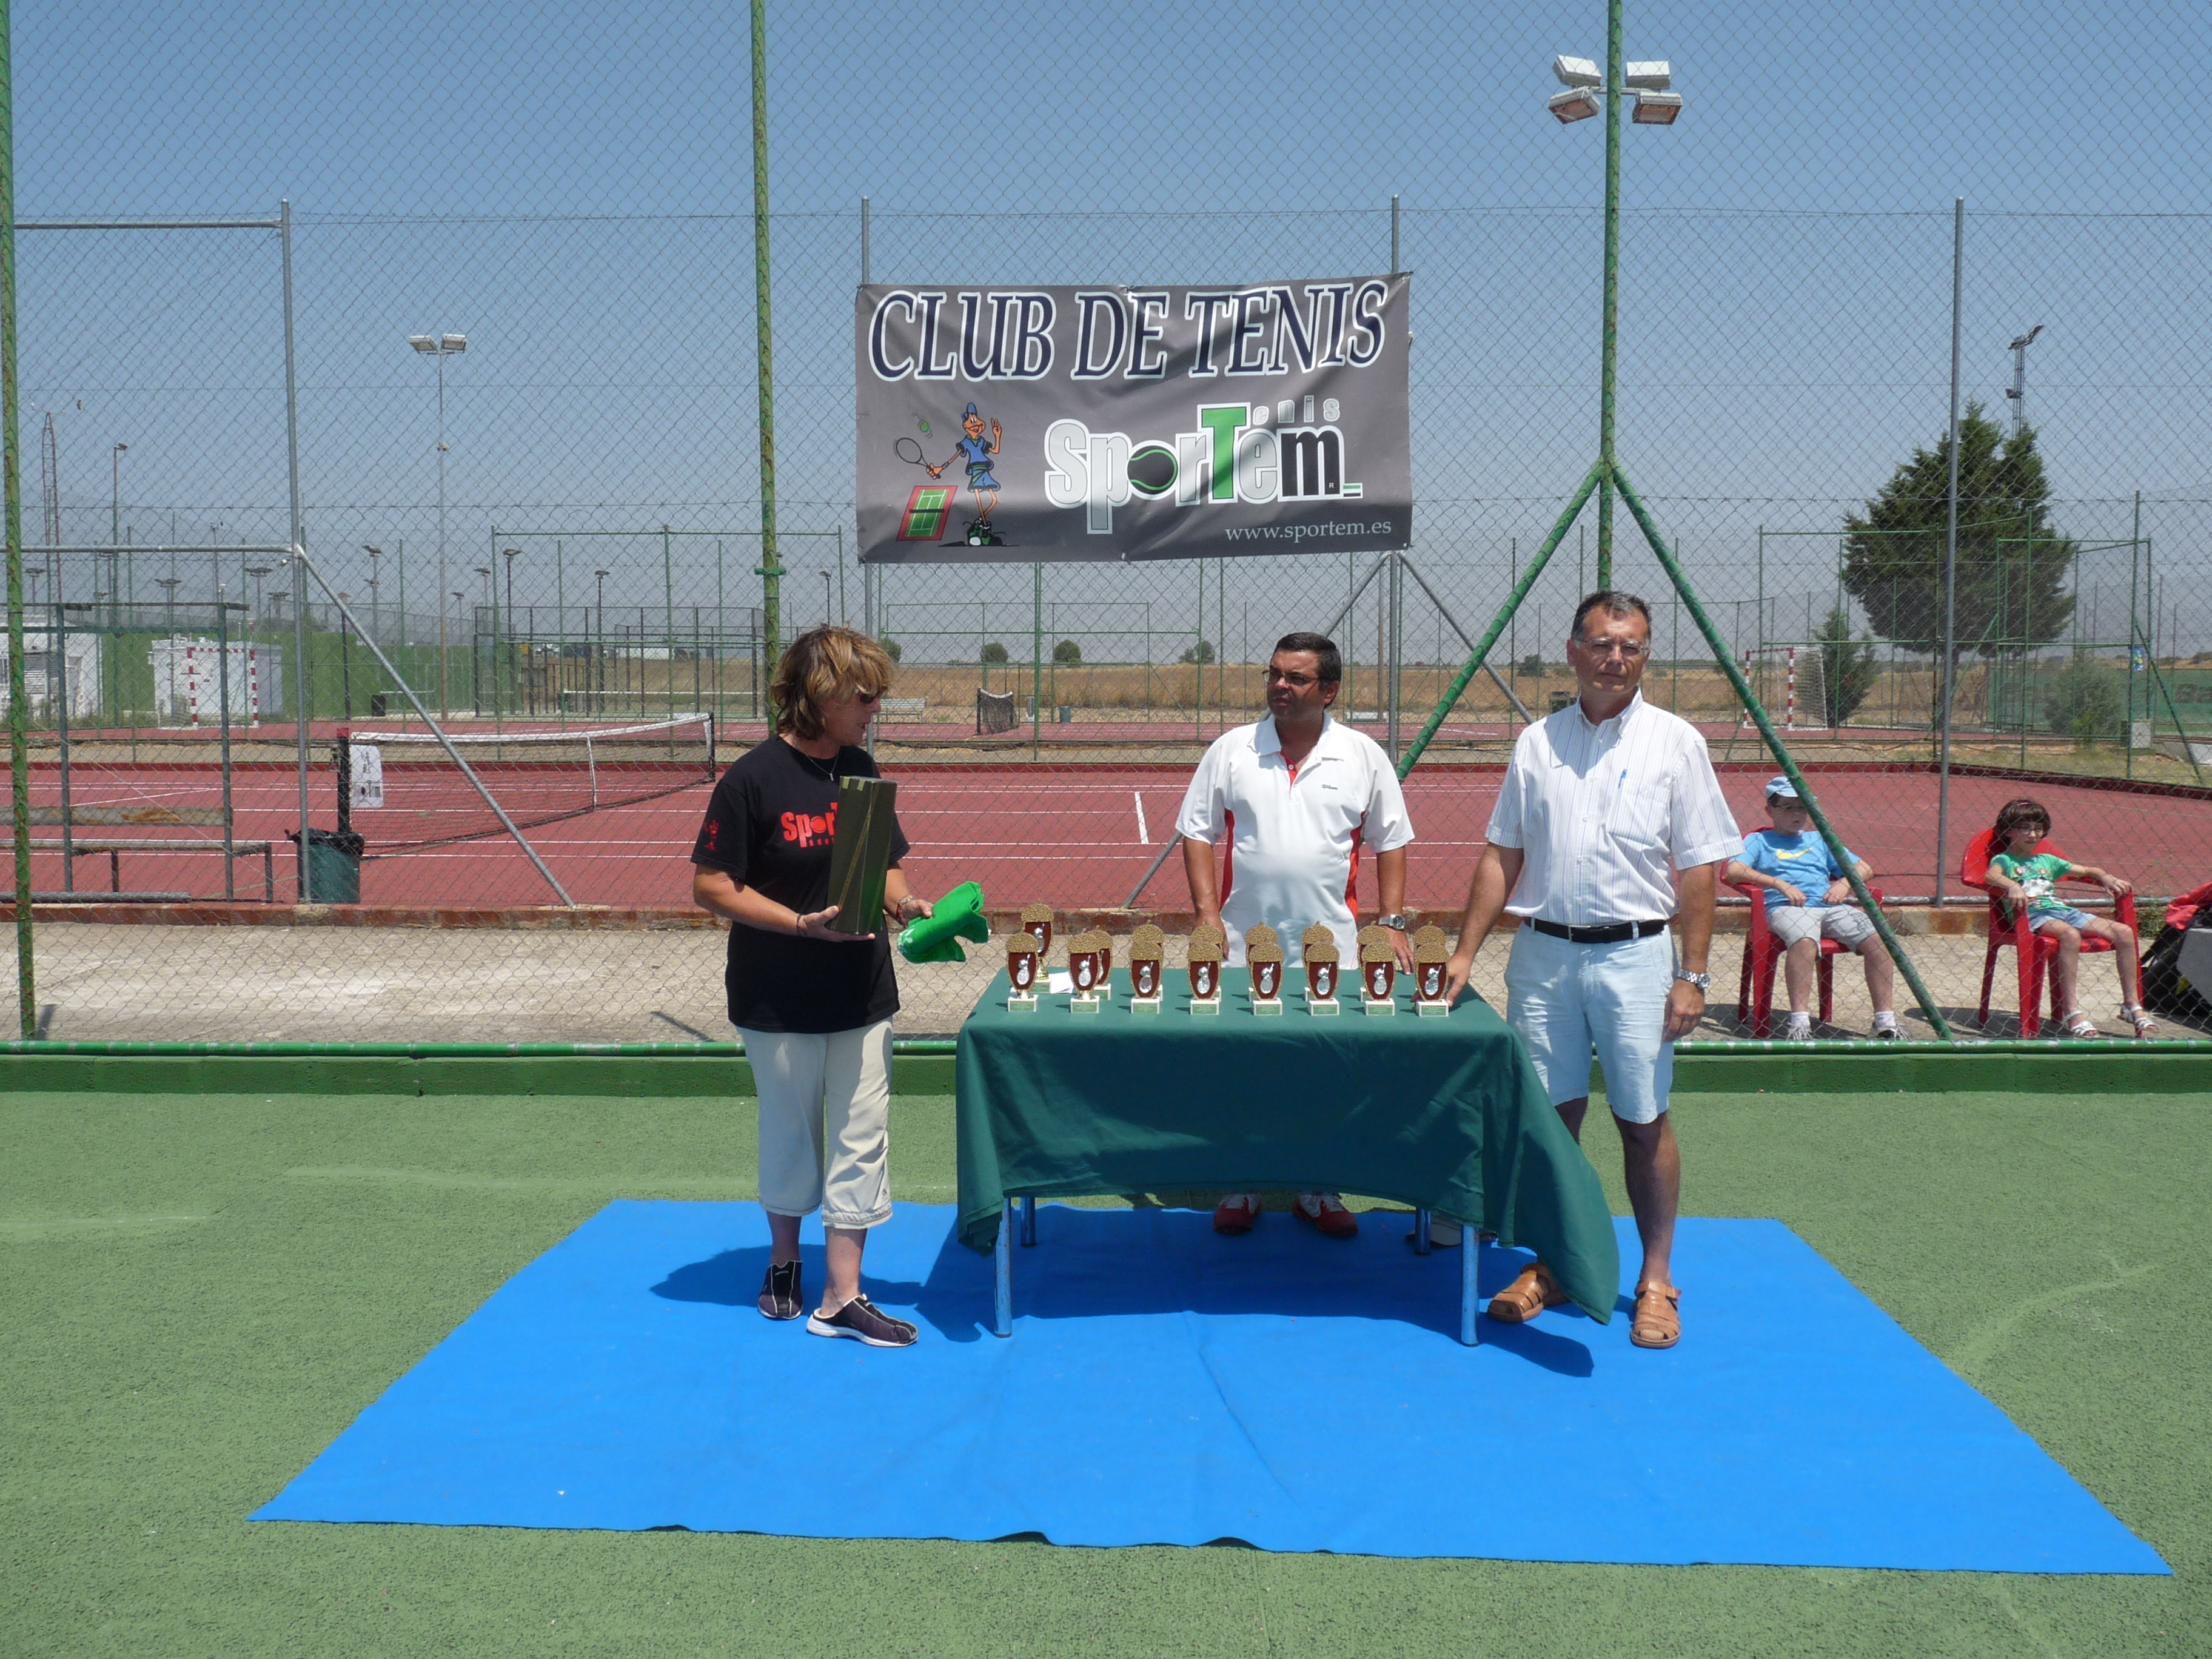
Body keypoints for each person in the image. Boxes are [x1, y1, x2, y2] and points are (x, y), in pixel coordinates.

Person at [1441, 592, 1739, 1349]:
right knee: (1551, 1123)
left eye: (1631, 646)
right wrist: (1466, 951)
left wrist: (1694, 975)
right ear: (1573, 650)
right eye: (1603, 643)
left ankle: (1655, 1280)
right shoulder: (1536, 741)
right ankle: (1557, 1263)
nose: (1616, 658)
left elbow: (1699, 869)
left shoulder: (1678, 743)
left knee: (1642, 1121)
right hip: (1543, 955)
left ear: (1646, 655)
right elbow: (1502, 853)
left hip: (1638, 957)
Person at [691, 625, 937, 1349]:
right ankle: (784, 1261)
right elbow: (711, 885)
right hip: (776, 996)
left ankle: (841, 1296)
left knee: (863, 1137)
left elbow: (882, 864)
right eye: (864, 696)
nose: (874, 709)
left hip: (862, 991)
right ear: (823, 694)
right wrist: (799, 925)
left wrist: (906, 905)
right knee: (790, 1133)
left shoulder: (860, 766)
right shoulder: (751, 780)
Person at [1175, 631, 1416, 1240]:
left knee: (1323, 1070)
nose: (1280, 686)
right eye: (1275, 674)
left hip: (1330, 947)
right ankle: (1244, 1181)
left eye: (1296, 678)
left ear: (1329, 690)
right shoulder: (1232, 750)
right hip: (1240, 943)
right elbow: (1198, 832)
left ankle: (1318, 1186)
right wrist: (1207, 916)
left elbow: (1390, 841)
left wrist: (1390, 923)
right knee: (1245, 1064)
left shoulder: (1362, 755)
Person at [1725, 776, 1899, 1041]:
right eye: (1788, 808)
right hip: (1787, 908)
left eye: (1802, 808)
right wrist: (1778, 883)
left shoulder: (1819, 840)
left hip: (1829, 906)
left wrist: (1843, 885)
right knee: (1805, 940)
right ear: (1770, 810)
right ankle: (1800, 1023)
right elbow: (1734, 870)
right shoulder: (1759, 841)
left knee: (1879, 939)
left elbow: (1864, 868)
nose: (1797, 814)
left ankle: (1885, 1022)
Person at [1982, 795, 2156, 1039]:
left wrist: (2105, 877)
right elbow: (1990, 876)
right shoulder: (2005, 859)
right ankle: (2072, 1011)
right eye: (2024, 829)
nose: (2032, 835)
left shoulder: (2046, 860)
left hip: (2063, 912)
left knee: (2124, 933)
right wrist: (2012, 886)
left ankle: (2131, 1005)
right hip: (2034, 916)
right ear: (2008, 831)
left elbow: (2086, 870)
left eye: (2038, 829)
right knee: (2069, 935)